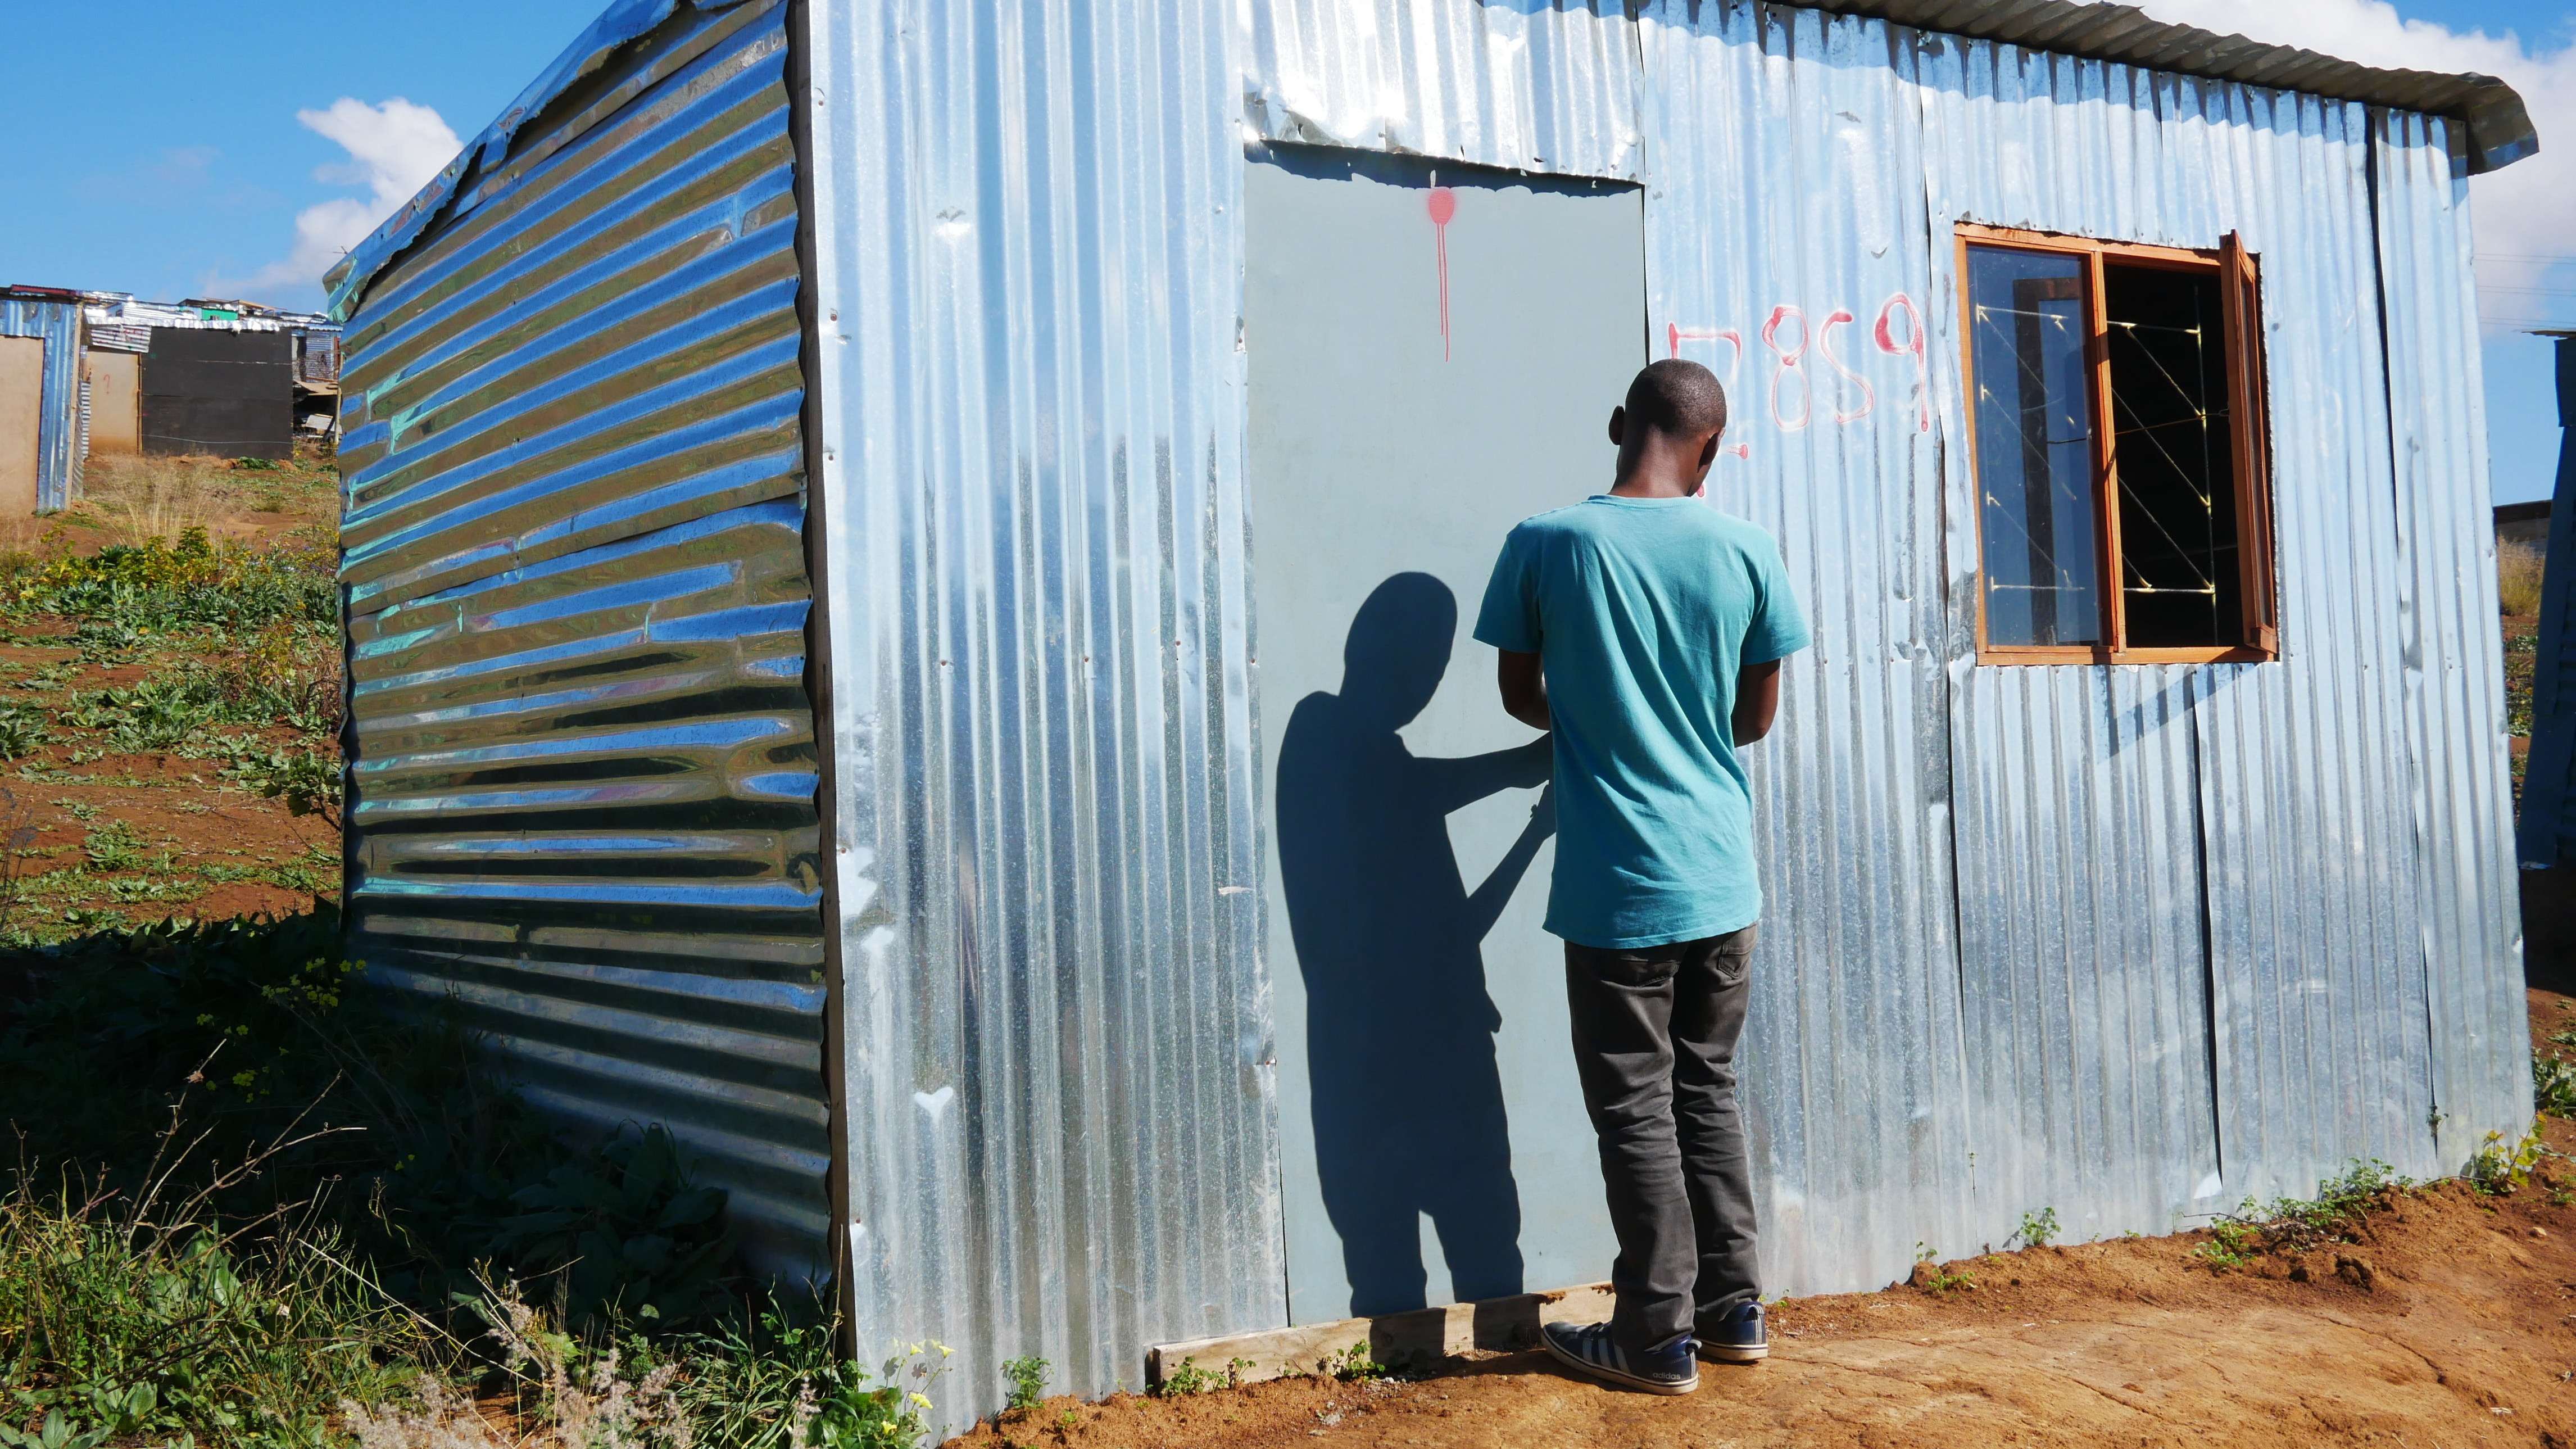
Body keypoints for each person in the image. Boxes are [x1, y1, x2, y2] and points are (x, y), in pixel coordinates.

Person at [1471, 357, 1809, 1396]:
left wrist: (1595, 723)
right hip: (1722, 880)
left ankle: (1656, 1337)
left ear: (1620, 422)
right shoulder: (1748, 550)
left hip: (1621, 886)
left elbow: (1522, 695)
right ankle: (1734, 1309)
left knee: (1635, 1110)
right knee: (1706, 1090)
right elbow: (1753, 719)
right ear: (1711, 449)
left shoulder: (1545, 544)